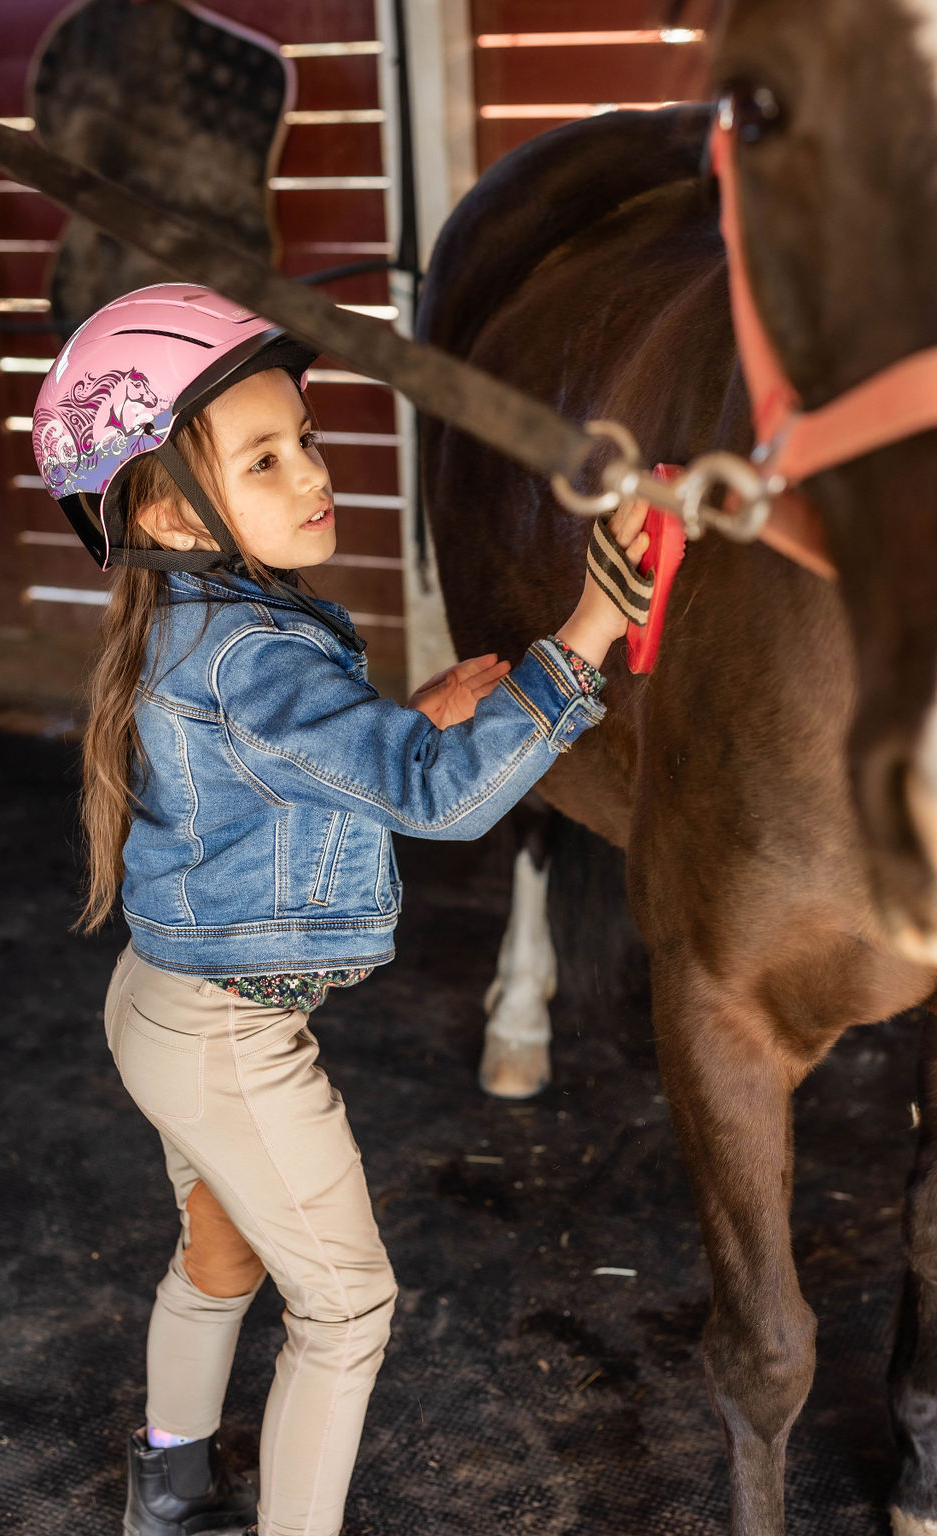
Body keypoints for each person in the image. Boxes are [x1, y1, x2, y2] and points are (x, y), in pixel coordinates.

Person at [32, 283, 652, 1536]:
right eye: (264, 459)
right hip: (227, 1041)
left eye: (305, 438)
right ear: (163, 508)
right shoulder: (253, 652)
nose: (313, 472)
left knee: (219, 1259)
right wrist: (589, 627)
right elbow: (443, 803)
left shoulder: (205, 624)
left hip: (165, 1010)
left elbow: (295, 766)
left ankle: (167, 1481)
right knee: (347, 1308)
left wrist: (399, 719)